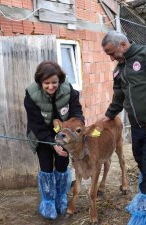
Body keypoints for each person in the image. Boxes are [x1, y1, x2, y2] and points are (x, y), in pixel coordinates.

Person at [101, 31, 146, 225]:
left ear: (123, 45)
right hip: (137, 125)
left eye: (111, 52)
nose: (110, 57)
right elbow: (118, 97)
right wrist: (107, 117)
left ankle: (143, 212)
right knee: (141, 161)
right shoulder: (119, 69)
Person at [24, 61, 84, 220]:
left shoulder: (68, 90)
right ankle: (48, 202)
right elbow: (35, 124)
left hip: (64, 135)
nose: (51, 86)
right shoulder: (31, 94)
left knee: (62, 165)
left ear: (60, 81)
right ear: (40, 82)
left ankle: (61, 197)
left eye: (54, 83)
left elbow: (76, 110)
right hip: (42, 137)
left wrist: (77, 126)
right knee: (46, 168)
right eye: (47, 83)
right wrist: (52, 143)